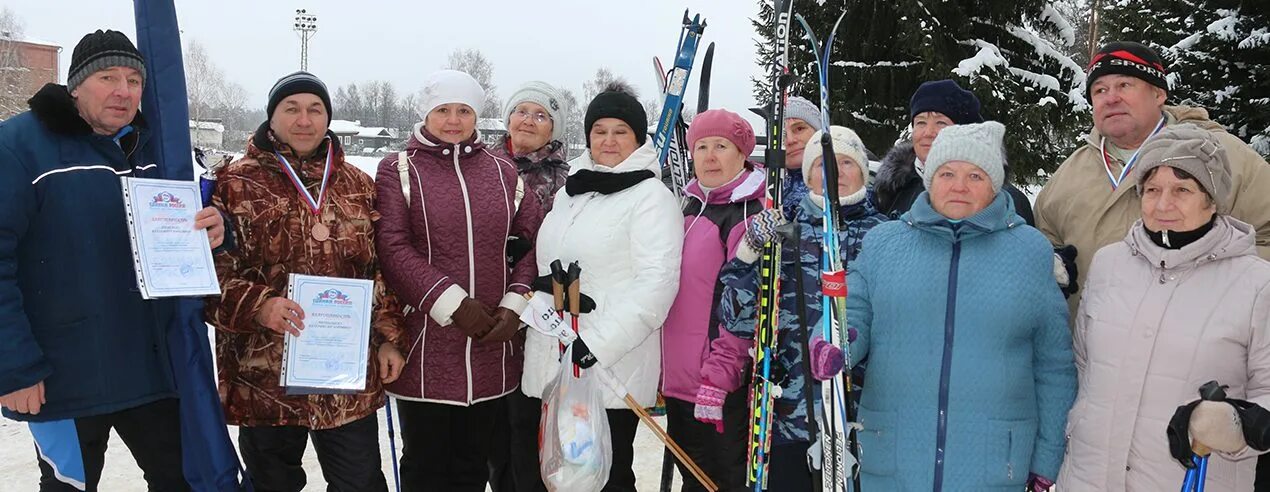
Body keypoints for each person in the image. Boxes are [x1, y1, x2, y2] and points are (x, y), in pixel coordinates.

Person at [0, 30, 226, 491]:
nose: (124, 91)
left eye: (133, 79)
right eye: (107, 77)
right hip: (64, 378)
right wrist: (15, 368)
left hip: (153, 370)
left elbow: (187, 230)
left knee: (183, 480)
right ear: (75, 86)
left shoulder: (156, 149)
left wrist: (218, 231)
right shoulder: (19, 146)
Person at [845, 121, 1074, 490]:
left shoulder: (1030, 251)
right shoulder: (884, 243)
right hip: (894, 454)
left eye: (975, 175)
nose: (959, 186)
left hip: (994, 464)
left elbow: (1054, 366)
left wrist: (1047, 458)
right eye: (947, 173)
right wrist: (836, 343)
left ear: (995, 184)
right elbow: (852, 317)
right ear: (930, 178)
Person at [205, 71, 404, 492]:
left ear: (327, 119)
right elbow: (206, 278)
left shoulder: (358, 187)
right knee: (271, 484)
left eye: (315, 110)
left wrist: (389, 337)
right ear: (271, 118)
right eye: (291, 109)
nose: (304, 120)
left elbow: (381, 271)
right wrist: (260, 306)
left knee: (361, 482)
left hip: (346, 379)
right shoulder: (232, 185)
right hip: (265, 378)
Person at [1056, 125, 1270, 490]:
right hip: (1087, 478)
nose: (1163, 204)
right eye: (1152, 189)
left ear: (1213, 198)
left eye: (1182, 190)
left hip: (1191, 479)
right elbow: (1083, 366)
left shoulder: (1256, 283)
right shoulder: (1109, 264)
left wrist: (1239, 425)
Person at [374, 69, 543, 491]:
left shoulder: (503, 172)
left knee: (472, 466)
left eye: (463, 110)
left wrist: (514, 305)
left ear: (477, 115)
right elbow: (392, 247)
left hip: (491, 344)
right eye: (443, 110)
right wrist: (452, 303)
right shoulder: (399, 169)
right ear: (425, 113)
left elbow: (532, 243)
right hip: (428, 343)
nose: (453, 120)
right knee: (426, 466)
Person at [519, 82, 683, 492]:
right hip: (551, 359)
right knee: (547, 473)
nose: (608, 141)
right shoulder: (573, 191)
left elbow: (656, 285)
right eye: (600, 131)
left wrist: (598, 346)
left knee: (600, 477)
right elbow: (548, 264)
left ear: (638, 138)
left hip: (608, 367)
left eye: (620, 131)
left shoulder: (650, 197)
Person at [1034, 41, 1270, 315]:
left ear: (1158, 94)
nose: (1111, 98)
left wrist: (1221, 287)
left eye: (1124, 85)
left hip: (1197, 346)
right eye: (1100, 90)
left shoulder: (1221, 155)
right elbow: (1044, 241)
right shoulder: (1071, 172)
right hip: (1093, 349)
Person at [718, 125, 887, 489]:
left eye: (846, 163)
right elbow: (735, 318)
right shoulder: (782, 233)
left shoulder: (887, 238)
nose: (835, 172)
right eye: (822, 164)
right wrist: (748, 253)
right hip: (788, 418)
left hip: (864, 421)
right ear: (808, 173)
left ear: (862, 171)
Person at [661, 108, 764, 491]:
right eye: (701, 146)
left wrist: (720, 377)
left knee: (722, 481)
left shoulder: (746, 215)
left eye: (721, 146)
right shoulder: (689, 206)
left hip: (716, 381)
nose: (709, 156)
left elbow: (745, 304)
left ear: (742, 153)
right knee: (695, 481)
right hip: (679, 380)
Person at [489, 81, 570, 491]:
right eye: (522, 110)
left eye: (541, 115)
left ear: (553, 128)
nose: (529, 121)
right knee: (488, 436)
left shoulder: (566, 181)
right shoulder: (481, 164)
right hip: (483, 312)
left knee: (527, 431)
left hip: (536, 319)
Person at [874, 79, 1034, 224]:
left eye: (941, 123)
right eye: (921, 122)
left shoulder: (1006, 201)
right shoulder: (889, 190)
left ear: (965, 132)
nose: (928, 132)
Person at [779, 96, 820, 217]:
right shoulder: (765, 191)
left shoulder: (845, 180)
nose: (790, 140)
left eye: (799, 128)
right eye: (783, 135)